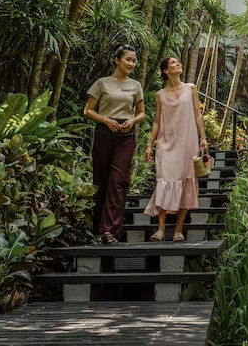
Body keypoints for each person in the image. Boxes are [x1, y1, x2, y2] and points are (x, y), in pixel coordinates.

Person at [82, 45, 145, 244]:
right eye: (128, 59)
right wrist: (106, 120)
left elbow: (142, 113)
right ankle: (98, 227)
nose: (131, 64)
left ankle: (110, 231)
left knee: (118, 180)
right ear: (117, 60)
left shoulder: (135, 85)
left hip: (126, 135)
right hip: (104, 132)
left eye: (134, 60)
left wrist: (132, 121)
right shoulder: (102, 83)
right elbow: (88, 110)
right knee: (101, 179)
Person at [143, 56, 208, 242]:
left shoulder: (191, 88)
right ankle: (161, 229)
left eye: (178, 61)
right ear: (166, 70)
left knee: (186, 182)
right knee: (165, 181)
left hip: (187, 142)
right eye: (173, 62)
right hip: (166, 143)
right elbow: (157, 122)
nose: (178, 63)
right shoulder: (160, 95)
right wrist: (149, 145)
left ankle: (178, 229)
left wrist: (203, 138)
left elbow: (197, 115)